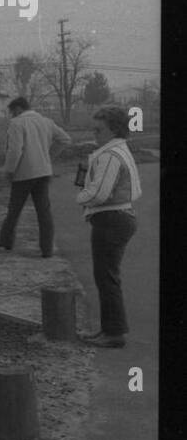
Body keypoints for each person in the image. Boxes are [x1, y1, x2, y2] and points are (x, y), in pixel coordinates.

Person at [76, 105, 142, 348]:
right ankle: (108, 328)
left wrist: (81, 197)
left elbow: (99, 193)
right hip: (119, 217)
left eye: (99, 129)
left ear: (113, 129)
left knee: (106, 278)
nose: (94, 133)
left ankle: (113, 334)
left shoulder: (109, 155)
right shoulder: (119, 149)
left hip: (111, 220)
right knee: (106, 277)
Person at [0, 97, 71, 257]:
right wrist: (47, 156)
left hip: (23, 174)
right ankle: (47, 249)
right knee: (44, 212)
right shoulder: (46, 121)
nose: (11, 115)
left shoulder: (17, 123)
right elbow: (65, 139)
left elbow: (15, 150)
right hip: (43, 172)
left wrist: (9, 170)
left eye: (12, 112)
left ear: (17, 109)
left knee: (14, 209)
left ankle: (6, 241)